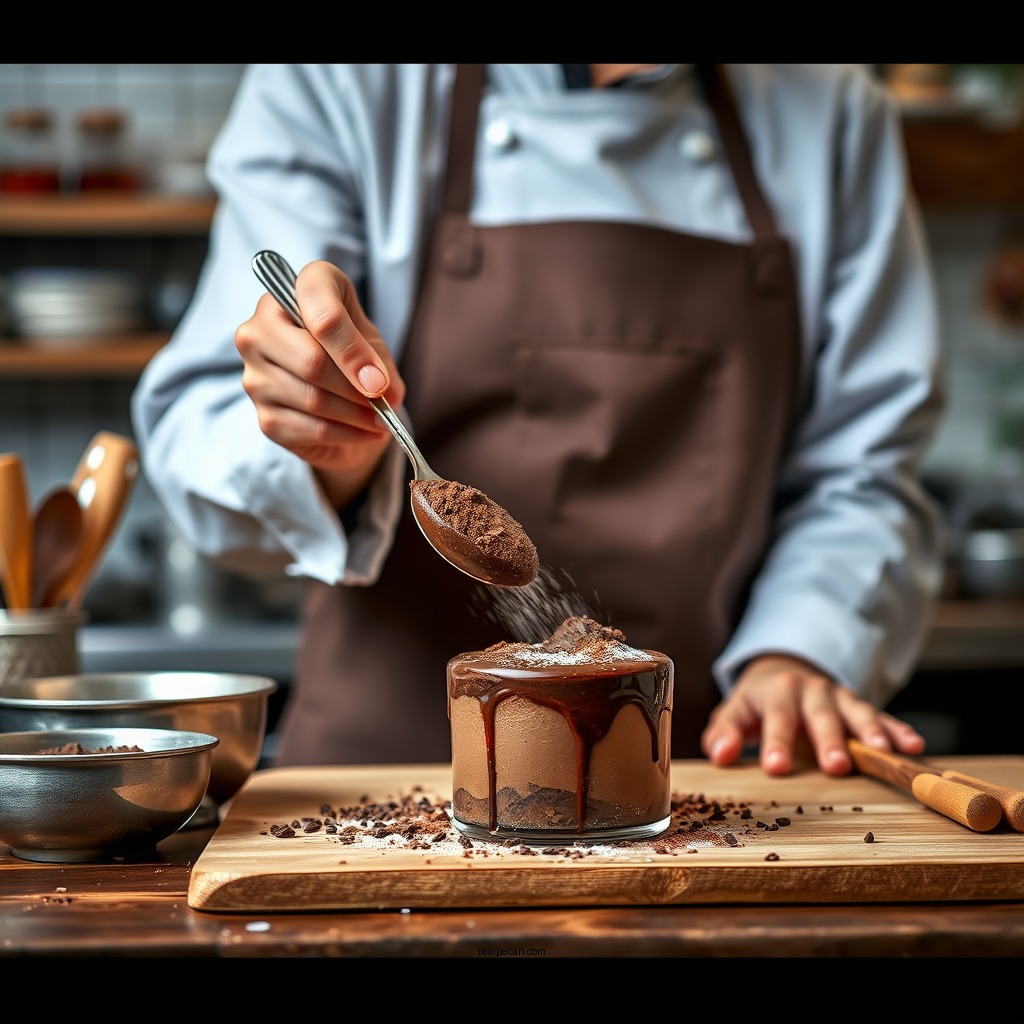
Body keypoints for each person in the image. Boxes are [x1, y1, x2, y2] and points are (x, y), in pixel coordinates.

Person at [131, 64, 946, 778]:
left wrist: (800, 647)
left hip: (694, 778)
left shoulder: (831, 105)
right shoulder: (344, 78)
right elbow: (201, 433)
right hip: (377, 787)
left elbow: (864, 469)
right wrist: (322, 445)